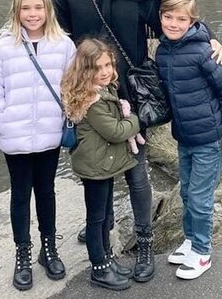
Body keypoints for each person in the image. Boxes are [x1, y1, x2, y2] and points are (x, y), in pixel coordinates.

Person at [53, 0, 222, 282]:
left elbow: (172, 18)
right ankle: (102, 227)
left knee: (136, 170)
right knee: (96, 164)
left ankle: (145, 245)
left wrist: (207, 35)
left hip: (131, 90)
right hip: (91, 92)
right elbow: (56, 37)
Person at [0, 0, 76, 291]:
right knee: (20, 194)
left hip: (48, 133)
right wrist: (1, 123)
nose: (32, 14)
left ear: (47, 10)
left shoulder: (63, 45)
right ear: (16, 11)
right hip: (16, 135)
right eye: (26, 8)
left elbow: (72, 84)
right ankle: (22, 253)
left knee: (46, 191)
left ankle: (48, 249)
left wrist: (67, 115)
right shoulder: (3, 49)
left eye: (38, 7)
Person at [155, 0, 222, 280]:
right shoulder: (163, 50)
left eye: (181, 19)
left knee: (200, 197)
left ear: (192, 21)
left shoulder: (204, 52)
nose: (174, 24)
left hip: (208, 137)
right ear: (161, 18)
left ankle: (203, 252)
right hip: (184, 137)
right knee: (185, 191)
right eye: (168, 17)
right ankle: (191, 240)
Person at [62, 39, 141, 291]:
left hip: (102, 164)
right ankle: (98, 267)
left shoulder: (104, 90)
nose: (105, 71)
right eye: (97, 67)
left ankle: (107, 258)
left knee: (106, 215)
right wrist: (137, 121)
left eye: (108, 64)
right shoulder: (92, 101)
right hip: (95, 167)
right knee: (96, 219)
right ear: (85, 70)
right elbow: (116, 132)